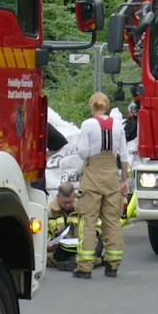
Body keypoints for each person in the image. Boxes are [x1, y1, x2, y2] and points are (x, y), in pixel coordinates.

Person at [72, 92, 128, 278]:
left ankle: (84, 267)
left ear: (91, 106)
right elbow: (124, 157)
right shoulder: (118, 126)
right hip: (112, 175)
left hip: (93, 176)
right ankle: (113, 265)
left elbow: (82, 153)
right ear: (107, 105)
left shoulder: (88, 125)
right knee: (112, 221)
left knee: (87, 220)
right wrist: (124, 181)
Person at [46, 182, 83, 271]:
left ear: (74, 196)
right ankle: (77, 262)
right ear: (58, 196)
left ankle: (76, 261)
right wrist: (57, 240)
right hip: (57, 250)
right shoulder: (47, 212)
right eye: (65, 202)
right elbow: (43, 243)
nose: (68, 205)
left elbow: (96, 228)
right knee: (47, 257)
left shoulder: (82, 209)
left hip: (80, 247)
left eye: (70, 202)